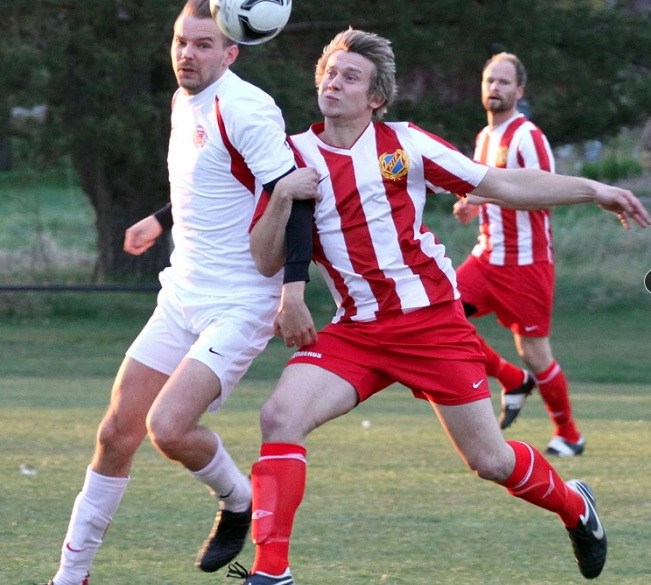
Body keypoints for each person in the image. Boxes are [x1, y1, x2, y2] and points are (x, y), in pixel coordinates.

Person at [227, 29, 650, 584]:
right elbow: (263, 259)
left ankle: (576, 507)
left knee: (490, 461)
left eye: (351, 76)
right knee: (280, 416)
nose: (334, 82)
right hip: (357, 332)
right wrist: (283, 194)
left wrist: (593, 190)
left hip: (431, 326)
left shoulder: (405, 145)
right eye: (330, 73)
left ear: (376, 97)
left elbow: (502, 184)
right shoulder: (290, 157)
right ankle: (271, 571)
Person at [42, 2, 318, 584]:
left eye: (202, 44)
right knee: (116, 432)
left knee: (167, 427)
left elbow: (294, 197)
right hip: (182, 291)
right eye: (180, 41)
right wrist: (160, 219)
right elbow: (218, 176)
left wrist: (293, 292)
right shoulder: (182, 100)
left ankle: (239, 498)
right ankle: (70, 577)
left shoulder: (246, 108)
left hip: (240, 300)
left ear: (231, 51)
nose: (186, 54)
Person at [452, 52, 584, 455]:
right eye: (489, 80)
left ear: (519, 90)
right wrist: (471, 207)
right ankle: (511, 378)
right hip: (486, 258)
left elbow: (548, 196)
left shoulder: (528, 137)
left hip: (527, 265)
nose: (495, 87)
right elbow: (482, 190)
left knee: (535, 353)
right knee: (437, 314)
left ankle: (569, 435)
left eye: (504, 82)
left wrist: (486, 196)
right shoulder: (484, 138)